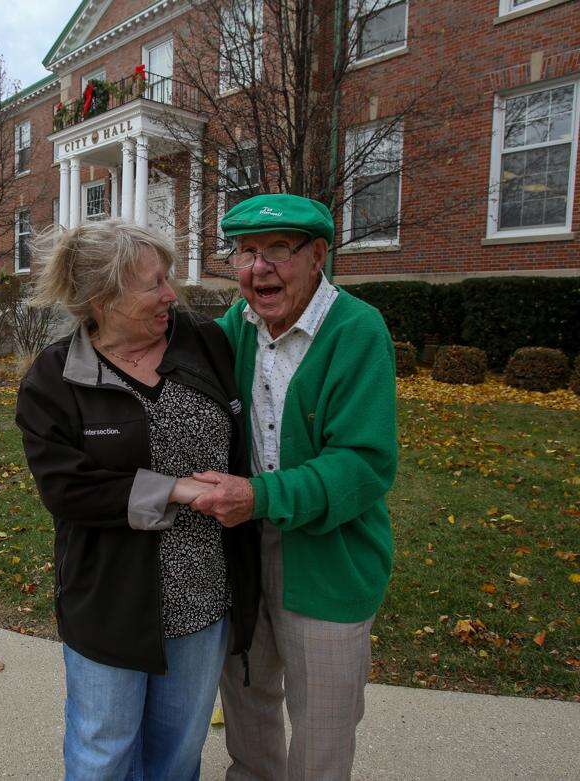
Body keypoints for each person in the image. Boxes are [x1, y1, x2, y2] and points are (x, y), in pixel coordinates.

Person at [15, 220, 260, 781]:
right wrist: (173, 488)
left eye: (168, 278)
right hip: (109, 602)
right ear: (103, 299)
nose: (172, 294)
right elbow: (67, 489)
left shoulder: (203, 342)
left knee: (178, 753)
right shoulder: (55, 379)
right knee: (103, 753)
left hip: (201, 596)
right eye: (155, 284)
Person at [191, 193, 398, 780]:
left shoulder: (356, 330)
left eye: (279, 249)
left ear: (317, 256)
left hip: (328, 559)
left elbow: (362, 465)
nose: (260, 268)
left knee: (322, 733)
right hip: (243, 550)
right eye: (246, 252)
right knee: (247, 702)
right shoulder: (236, 329)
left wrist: (261, 497)